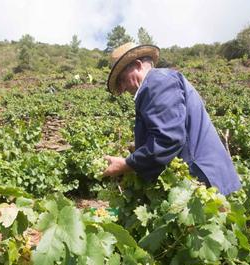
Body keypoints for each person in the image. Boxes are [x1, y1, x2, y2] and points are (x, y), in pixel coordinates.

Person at [102, 42, 241, 195]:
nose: (122, 88)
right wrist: (140, 147)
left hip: (203, 180)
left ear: (137, 64)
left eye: (121, 79)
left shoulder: (157, 84)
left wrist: (127, 164)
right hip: (205, 177)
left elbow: (168, 139)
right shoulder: (160, 82)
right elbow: (172, 130)